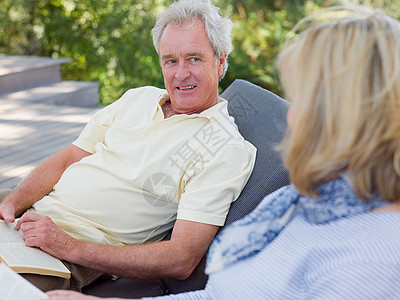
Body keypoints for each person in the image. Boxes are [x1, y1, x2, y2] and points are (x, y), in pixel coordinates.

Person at [47, 4, 400, 300]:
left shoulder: (368, 265)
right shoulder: (304, 204)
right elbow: (218, 295)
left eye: (307, 100)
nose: (291, 115)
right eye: (170, 60)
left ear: (362, 116)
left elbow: (186, 264)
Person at [0, 0, 256, 293]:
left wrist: (68, 246)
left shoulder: (223, 147)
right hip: (27, 212)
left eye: (194, 59)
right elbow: (68, 158)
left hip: (63, 252)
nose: (181, 73)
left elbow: (181, 259)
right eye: (171, 60)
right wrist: (11, 203)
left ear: (221, 61)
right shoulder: (139, 98)